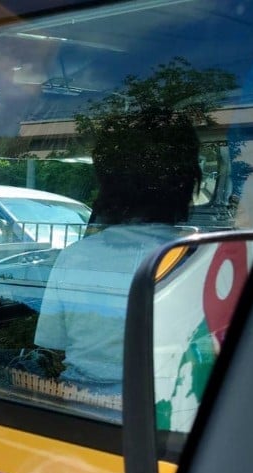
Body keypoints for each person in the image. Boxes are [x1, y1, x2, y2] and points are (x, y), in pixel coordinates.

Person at [32, 109, 200, 397]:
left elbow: (53, 342)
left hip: (78, 407)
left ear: (106, 186)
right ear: (186, 184)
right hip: (167, 409)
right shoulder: (197, 258)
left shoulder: (75, 256)